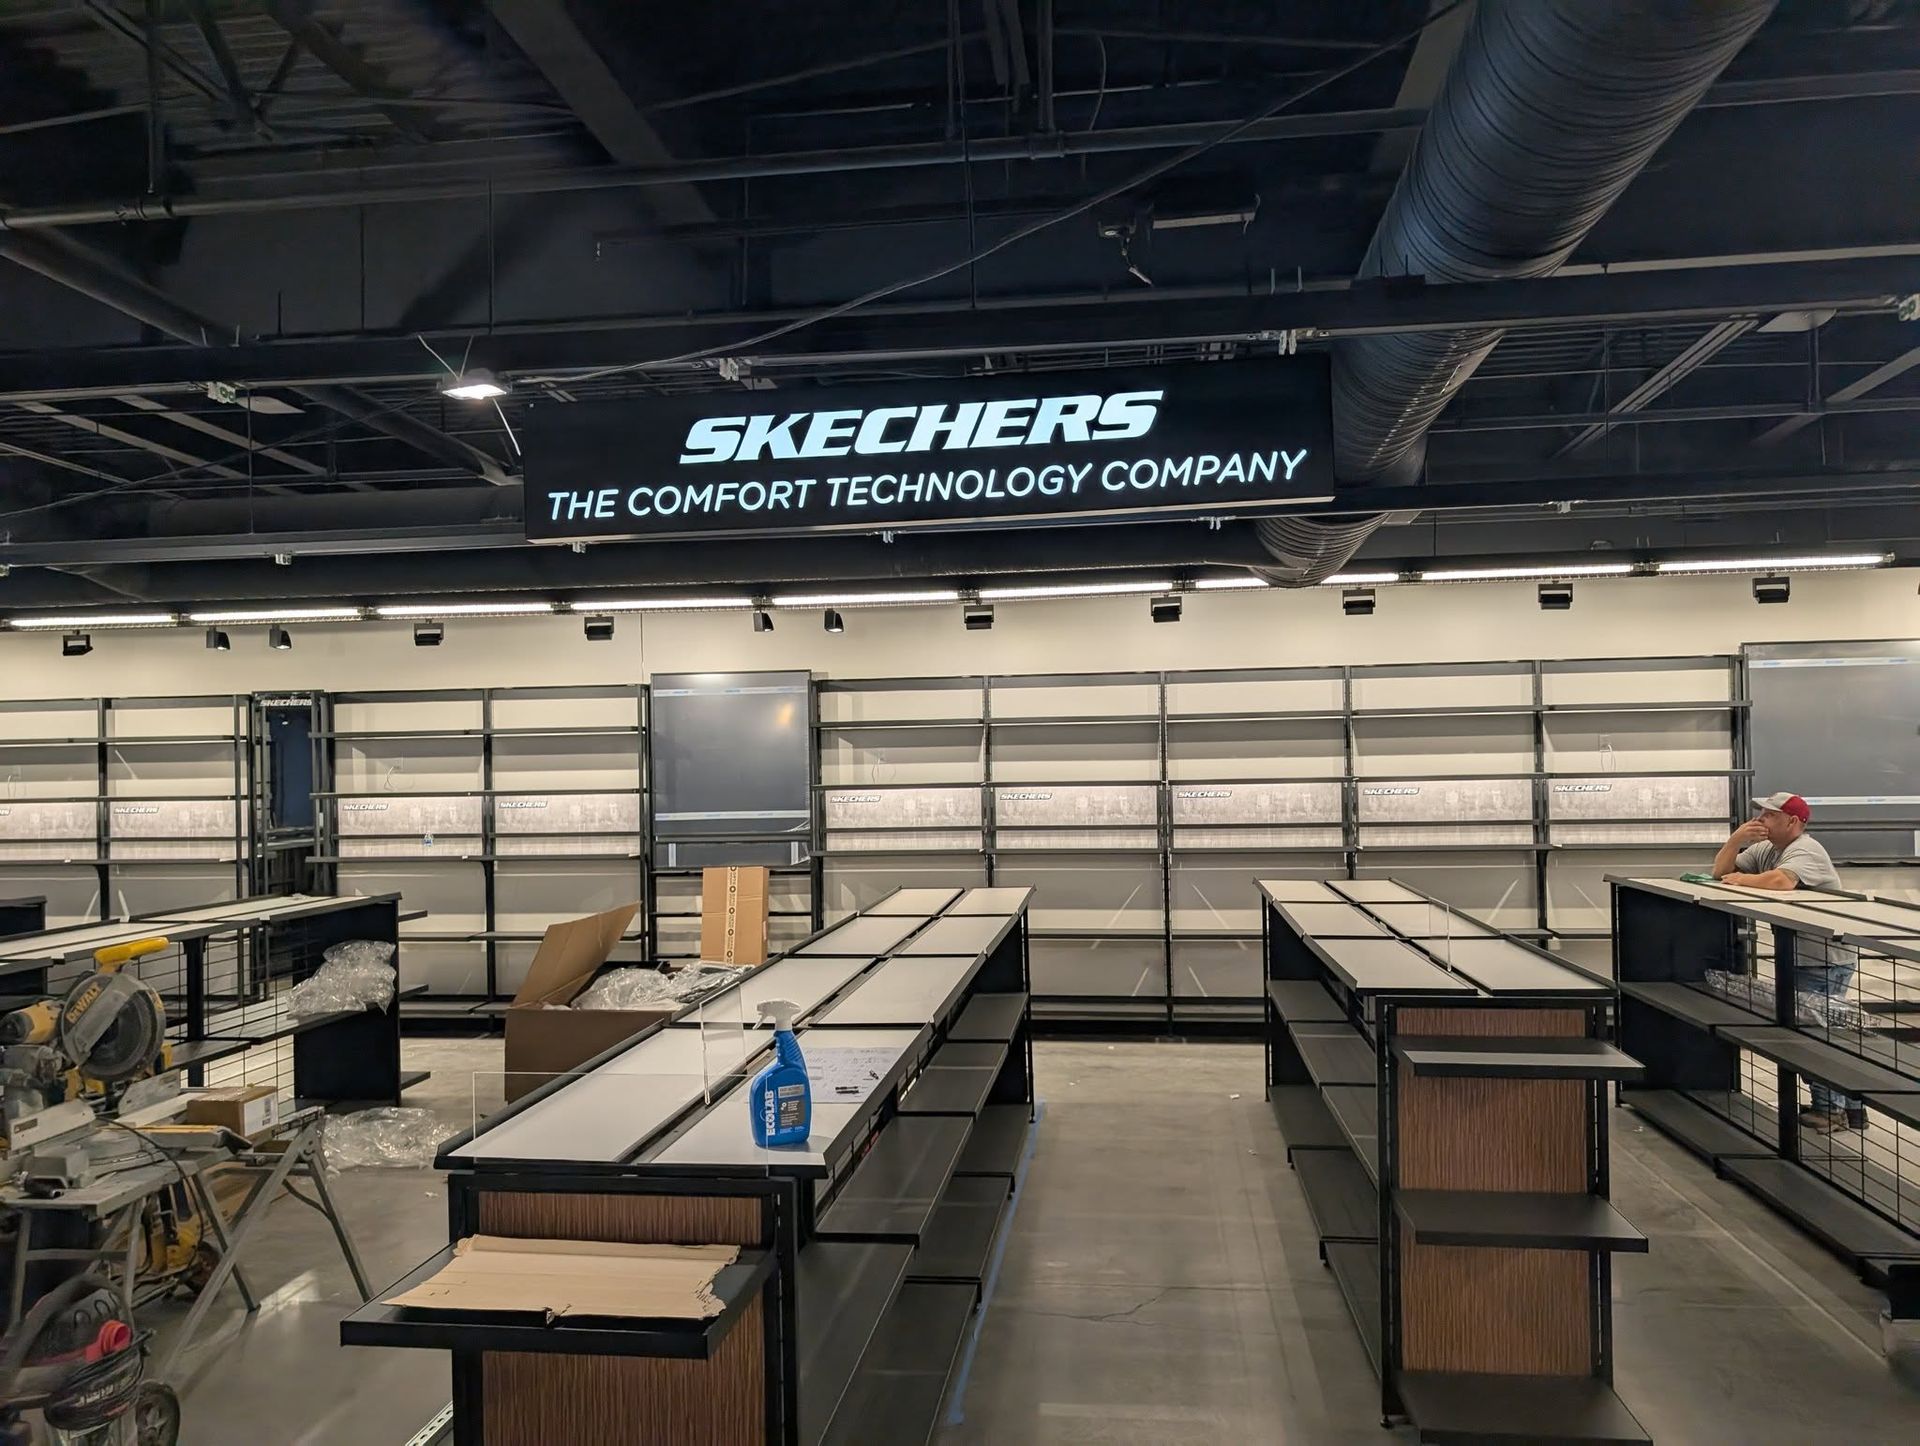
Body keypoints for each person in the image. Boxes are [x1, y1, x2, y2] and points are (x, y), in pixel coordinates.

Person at [1711, 792, 1860, 1134]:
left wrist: (1742, 880)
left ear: (1792, 822)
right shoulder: (1767, 849)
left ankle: (1830, 1111)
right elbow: (1721, 871)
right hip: (1803, 956)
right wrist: (1735, 840)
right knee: (1816, 1030)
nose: (1760, 820)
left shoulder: (1805, 849)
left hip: (1822, 960)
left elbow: (1781, 881)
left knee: (1816, 1034)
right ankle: (1848, 1108)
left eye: (1768, 815)